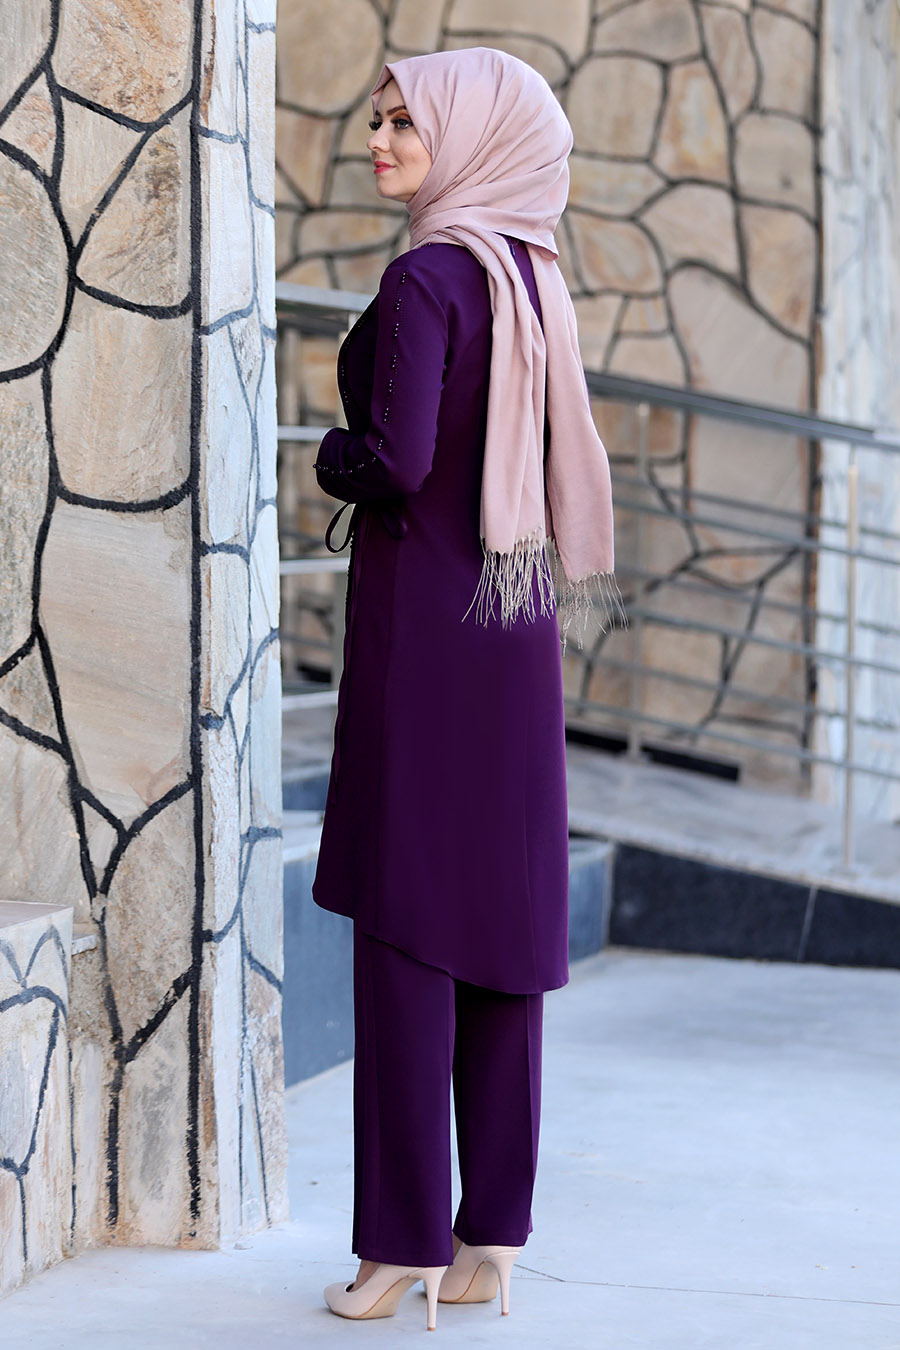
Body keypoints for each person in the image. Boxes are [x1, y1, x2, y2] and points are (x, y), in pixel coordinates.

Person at [310, 47, 617, 1331]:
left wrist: (331, 453)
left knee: (404, 933)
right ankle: (489, 1236)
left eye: (404, 125)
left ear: (473, 139)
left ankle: (395, 1251)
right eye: (379, 121)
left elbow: (397, 458)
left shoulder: (430, 275)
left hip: (426, 634)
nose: (378, 142)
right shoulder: (533, 278)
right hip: (515, 630)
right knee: (494, 937)